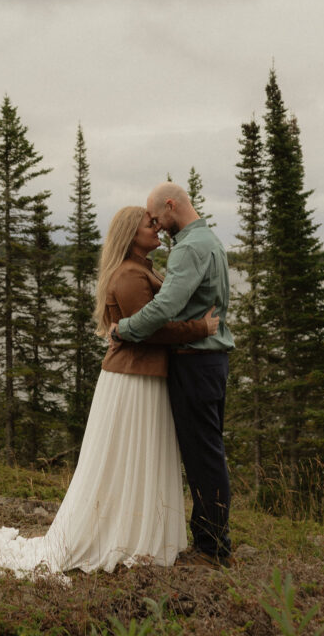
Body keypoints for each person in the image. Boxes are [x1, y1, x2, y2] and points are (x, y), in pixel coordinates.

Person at [0, 205, 219, 581]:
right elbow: (150, 330)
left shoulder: (141, 269)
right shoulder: (131, 275)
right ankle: (121, 537)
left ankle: (134, 534)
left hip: (143, 377)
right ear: (131, 233)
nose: (158, 229)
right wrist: (199, 329)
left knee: (136, 459)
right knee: (127, 459)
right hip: (134, 381)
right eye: (150, 224)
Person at [110, 182, 234, 568]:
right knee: (205, 452)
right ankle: (209, 540)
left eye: (157, 217)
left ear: (170, 205)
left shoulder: (190, 248)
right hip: (207, 363)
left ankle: (212, 548)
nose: (158, 226)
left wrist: (123, 331)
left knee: (204, 456)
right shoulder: (208, 241)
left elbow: (165, 308)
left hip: (196, 363)